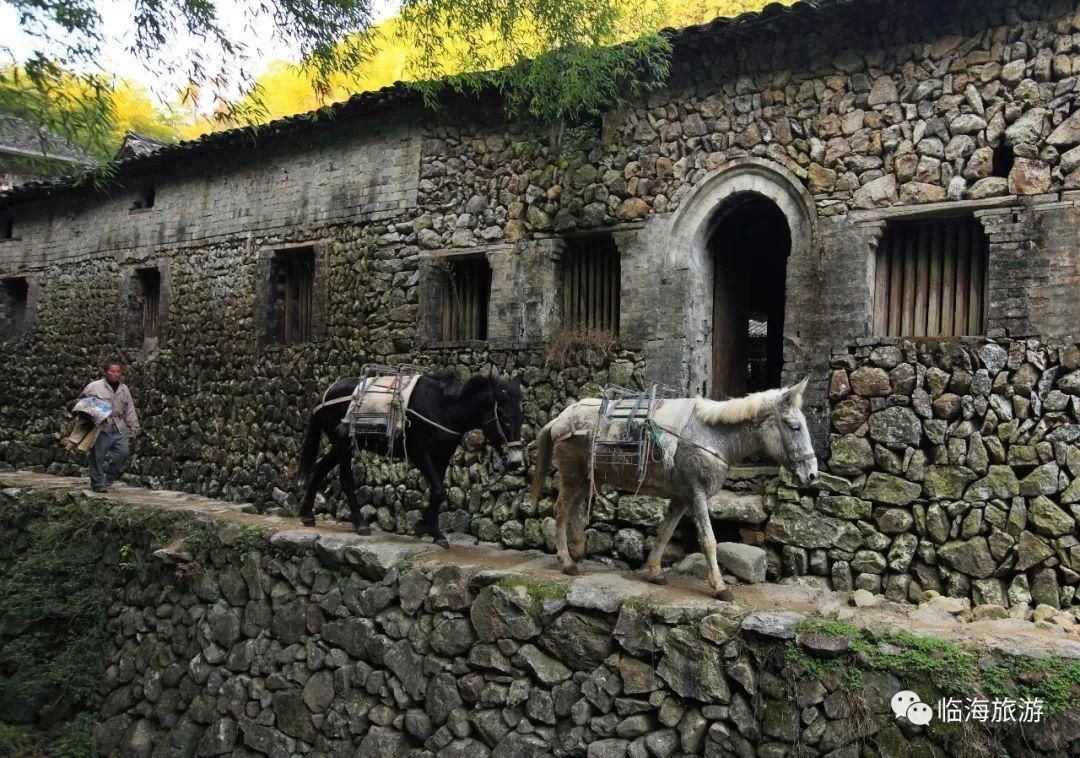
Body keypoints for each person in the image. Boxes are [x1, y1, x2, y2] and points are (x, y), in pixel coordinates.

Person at [81, 360, 140, 492]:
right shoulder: (94, 387)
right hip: (101, 425)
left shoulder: (124, 389)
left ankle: (109, 476)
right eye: (112, 371)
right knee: (98, 456)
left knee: (123, 453)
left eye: (118, 371)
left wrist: (134, 425)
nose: (115, 374)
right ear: (105, 372)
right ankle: (97, 484)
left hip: (118, 425)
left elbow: (129, 408)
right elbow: (82, 404)